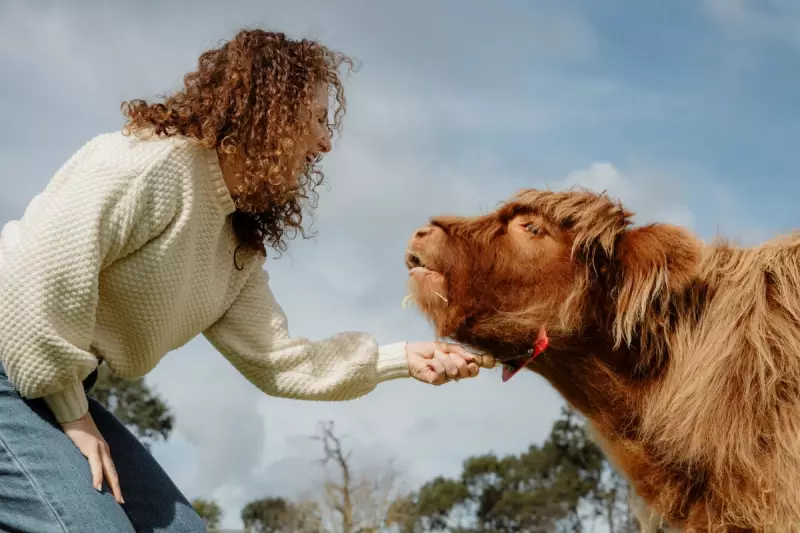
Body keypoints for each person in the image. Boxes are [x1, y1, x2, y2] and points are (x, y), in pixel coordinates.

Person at [0, 28, 494, 533]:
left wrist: (401, 358)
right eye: (319, 120)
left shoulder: (232, 243)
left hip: (53, 383)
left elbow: (279, 361)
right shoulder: (149, 165)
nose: (326, 143)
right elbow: (35, 278)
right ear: (271, 107)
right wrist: (73, 414)